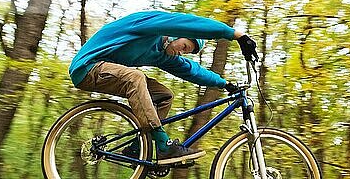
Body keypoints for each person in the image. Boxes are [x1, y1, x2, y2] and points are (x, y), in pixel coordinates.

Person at [69, 10, 258, 165]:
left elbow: (192, 71)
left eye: (186, 52)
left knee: (164, 95)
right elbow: (190, 23)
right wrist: (235, 35)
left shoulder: (164, 55)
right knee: (135, 77)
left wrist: (224, 84)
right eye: (184, 46)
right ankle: (163, 146)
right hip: (87, 67)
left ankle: (136, 149)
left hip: (108, 72)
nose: (181, 52)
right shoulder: (149, 25)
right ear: (176, 34)